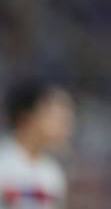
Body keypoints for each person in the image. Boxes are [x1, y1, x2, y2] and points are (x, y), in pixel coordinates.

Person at [0, 79, 74, 209]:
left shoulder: (52, 173)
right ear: (25, 116)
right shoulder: (4, 164)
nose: (65, 126)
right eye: (55, 116)